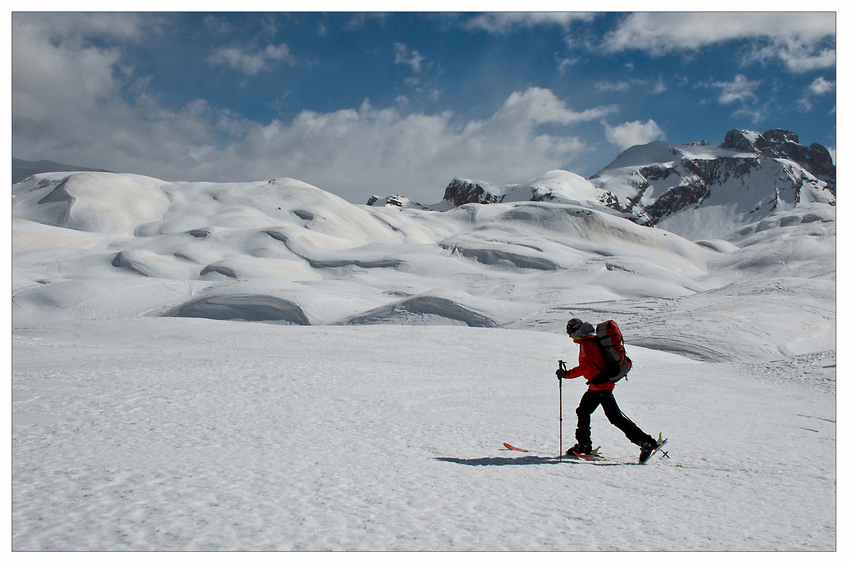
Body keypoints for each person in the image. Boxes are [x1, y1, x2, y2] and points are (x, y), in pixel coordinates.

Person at [556, 318, 659, 462]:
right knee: (583, 411)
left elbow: (585, 367)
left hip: (601, 386)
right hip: (597, 385)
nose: (569, 335)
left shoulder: (587, 344)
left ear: (576, 330)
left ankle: (646, 442)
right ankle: (583, 444)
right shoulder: (591, 341)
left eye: (569, 332)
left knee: (615, 417)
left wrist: (566, 374)